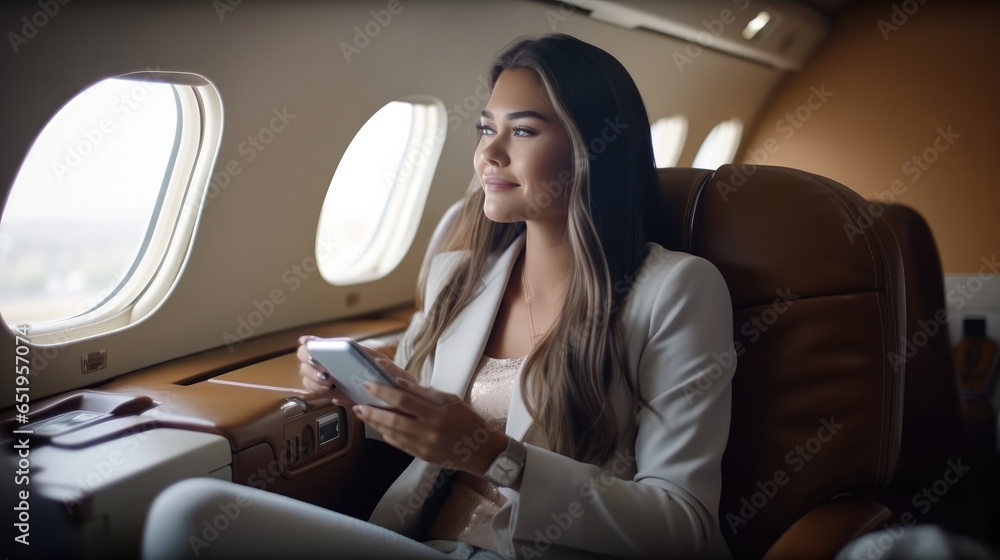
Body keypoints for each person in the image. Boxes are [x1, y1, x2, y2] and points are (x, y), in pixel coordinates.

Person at [142, 33, 735, 560]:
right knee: (188, 511)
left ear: (594, 150)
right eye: (486, 128)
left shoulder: (676, 291)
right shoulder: (460, 276)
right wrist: (368, 391)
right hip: (424, 540)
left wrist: (497, 457)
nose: (489, 154)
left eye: (523, 130)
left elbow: (681, 526)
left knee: (188, 514)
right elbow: (427, 436)